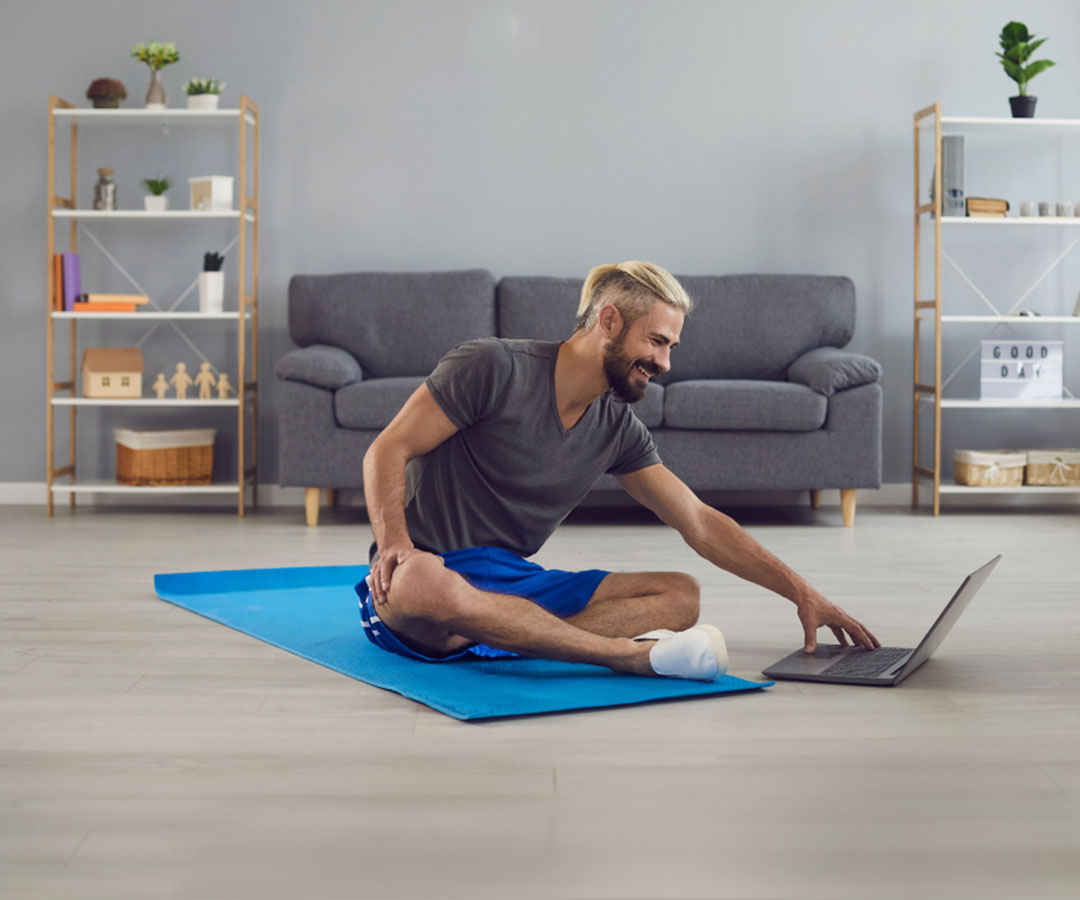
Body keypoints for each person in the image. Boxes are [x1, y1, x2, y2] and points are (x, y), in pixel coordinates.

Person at [358, 261, 880, 680]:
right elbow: (387, 449)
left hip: (508, 581)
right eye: (656, 341)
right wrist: (396, 547)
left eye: (671, 347)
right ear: (608, 321)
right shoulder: (492, 366)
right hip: (428, 571)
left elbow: (696, 520)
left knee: (681, 594)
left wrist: (802, 593)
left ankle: (500, 632)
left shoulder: (617, 427)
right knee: (422, 583)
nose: (665, 363)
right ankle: (623, 657)